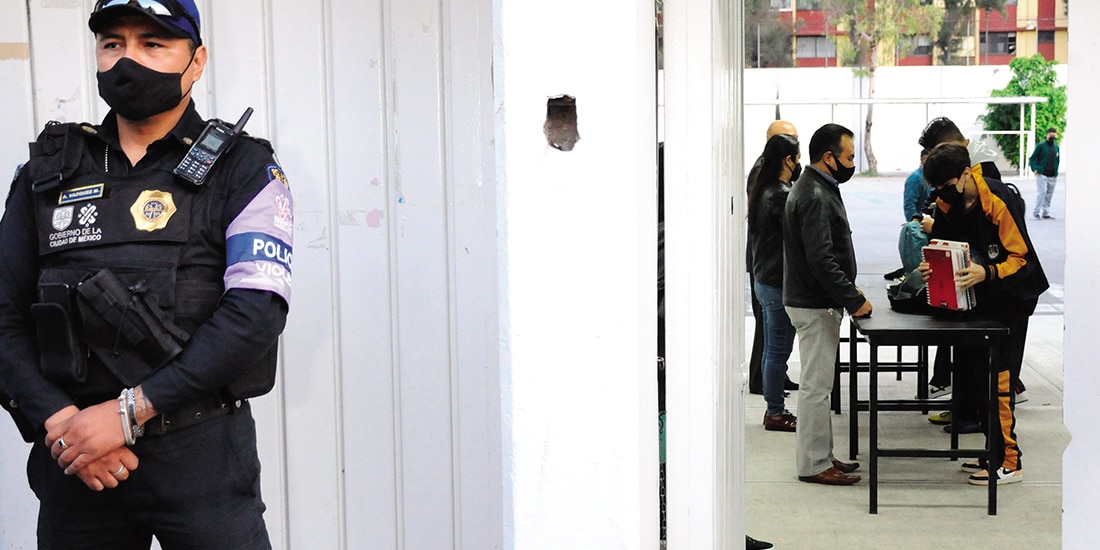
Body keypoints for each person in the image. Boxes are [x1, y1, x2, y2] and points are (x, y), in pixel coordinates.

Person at [0, 1, 293, 546]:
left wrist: (129, 412)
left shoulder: (244, 169)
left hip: (201, 457)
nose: (127, 60)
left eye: (153, 44)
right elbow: (2, 316)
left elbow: (255, 314)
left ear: (196, 59)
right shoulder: (46, 172)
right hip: (78, 460)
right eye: (113, 43)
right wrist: (61, 424)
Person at [919, 143, 1048, 485]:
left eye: (945, 186)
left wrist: (986, 273)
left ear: (965, 174)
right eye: (936, 189)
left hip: (1013, 300)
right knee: (977, 382)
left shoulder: (999, 201)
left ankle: (1010, 460)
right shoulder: (948, 200)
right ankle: (992, 451)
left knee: (999, 383)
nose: (940, 195)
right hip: (979, 304)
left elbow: (1020, 259)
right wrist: (932, 267)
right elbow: (943, 247)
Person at [783, 123, 869, 485]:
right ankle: (815, 464)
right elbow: (822, 259)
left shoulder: (819, 186)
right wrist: (853, 299)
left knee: (820, 386)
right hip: (814, 304)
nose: (852, 163)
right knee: (817, 389)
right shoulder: (816, 194)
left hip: (815, 301)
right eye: (849, 157)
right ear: (829, 157)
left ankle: (821, 455)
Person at [747, 134, 801, 432]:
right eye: (797, 158)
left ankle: (774, 407)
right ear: (787, 160)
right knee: (778, 350)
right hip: (777, 283)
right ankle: (776, 412)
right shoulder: (779, 194)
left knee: (772, 348)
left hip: (764, 279)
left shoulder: (763, 189)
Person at [1028, 127, 1061, 220]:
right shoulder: (1041, 146)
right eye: (1050, 135)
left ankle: (1046, 212)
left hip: (1052, 175)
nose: (1052, 137)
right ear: (1047, 135)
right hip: (1042, 174)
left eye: (1054, 135)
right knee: (1042, 192)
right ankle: (1036, 212)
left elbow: (1057, 160)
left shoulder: (1056, 147)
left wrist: (1056, 171)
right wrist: (1035, 168)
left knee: (1049, 194)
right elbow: (1032, 158)